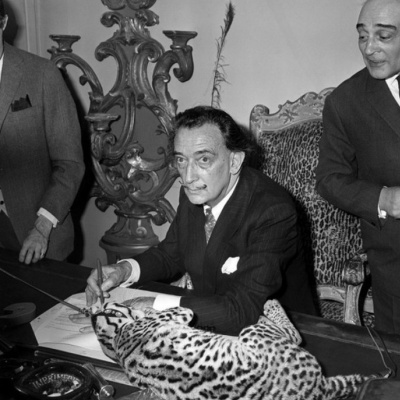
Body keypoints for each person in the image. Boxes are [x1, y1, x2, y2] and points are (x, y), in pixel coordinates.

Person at [86, 106, 316, 336]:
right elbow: (171, 254)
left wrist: (157, 306)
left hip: (279, 334)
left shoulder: (273, 212)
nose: (188, 177)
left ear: (234, 162)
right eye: (181, 160)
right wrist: (124, 270)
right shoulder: (198, 191)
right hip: (213, 323)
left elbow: (241, 310)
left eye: (203, 159)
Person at [316, 0, 400, 334]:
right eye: (363, 36)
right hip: (395, 265)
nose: (369, 48)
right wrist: (384, 199)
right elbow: (329, 179)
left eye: (383, 36)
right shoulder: (345, 102)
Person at [0, 2, 85, 264]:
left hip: (35, 234)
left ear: (3, 22)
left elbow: (70, 164)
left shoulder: (42, 74)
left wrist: (42, 227)